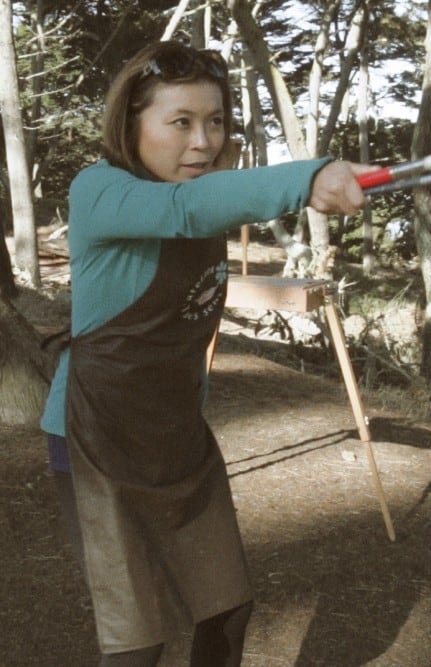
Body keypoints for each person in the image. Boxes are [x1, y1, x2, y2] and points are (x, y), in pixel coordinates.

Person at [40, 40, 374, 667]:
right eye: (181, 122)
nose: (204, 142)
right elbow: (185, 213)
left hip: (176, 435)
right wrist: (308, 176)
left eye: (216, 121)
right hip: (95, 438)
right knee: (138, 640)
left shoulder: (201, 195)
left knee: (225, 608)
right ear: (131, 125)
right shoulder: (100, 190)